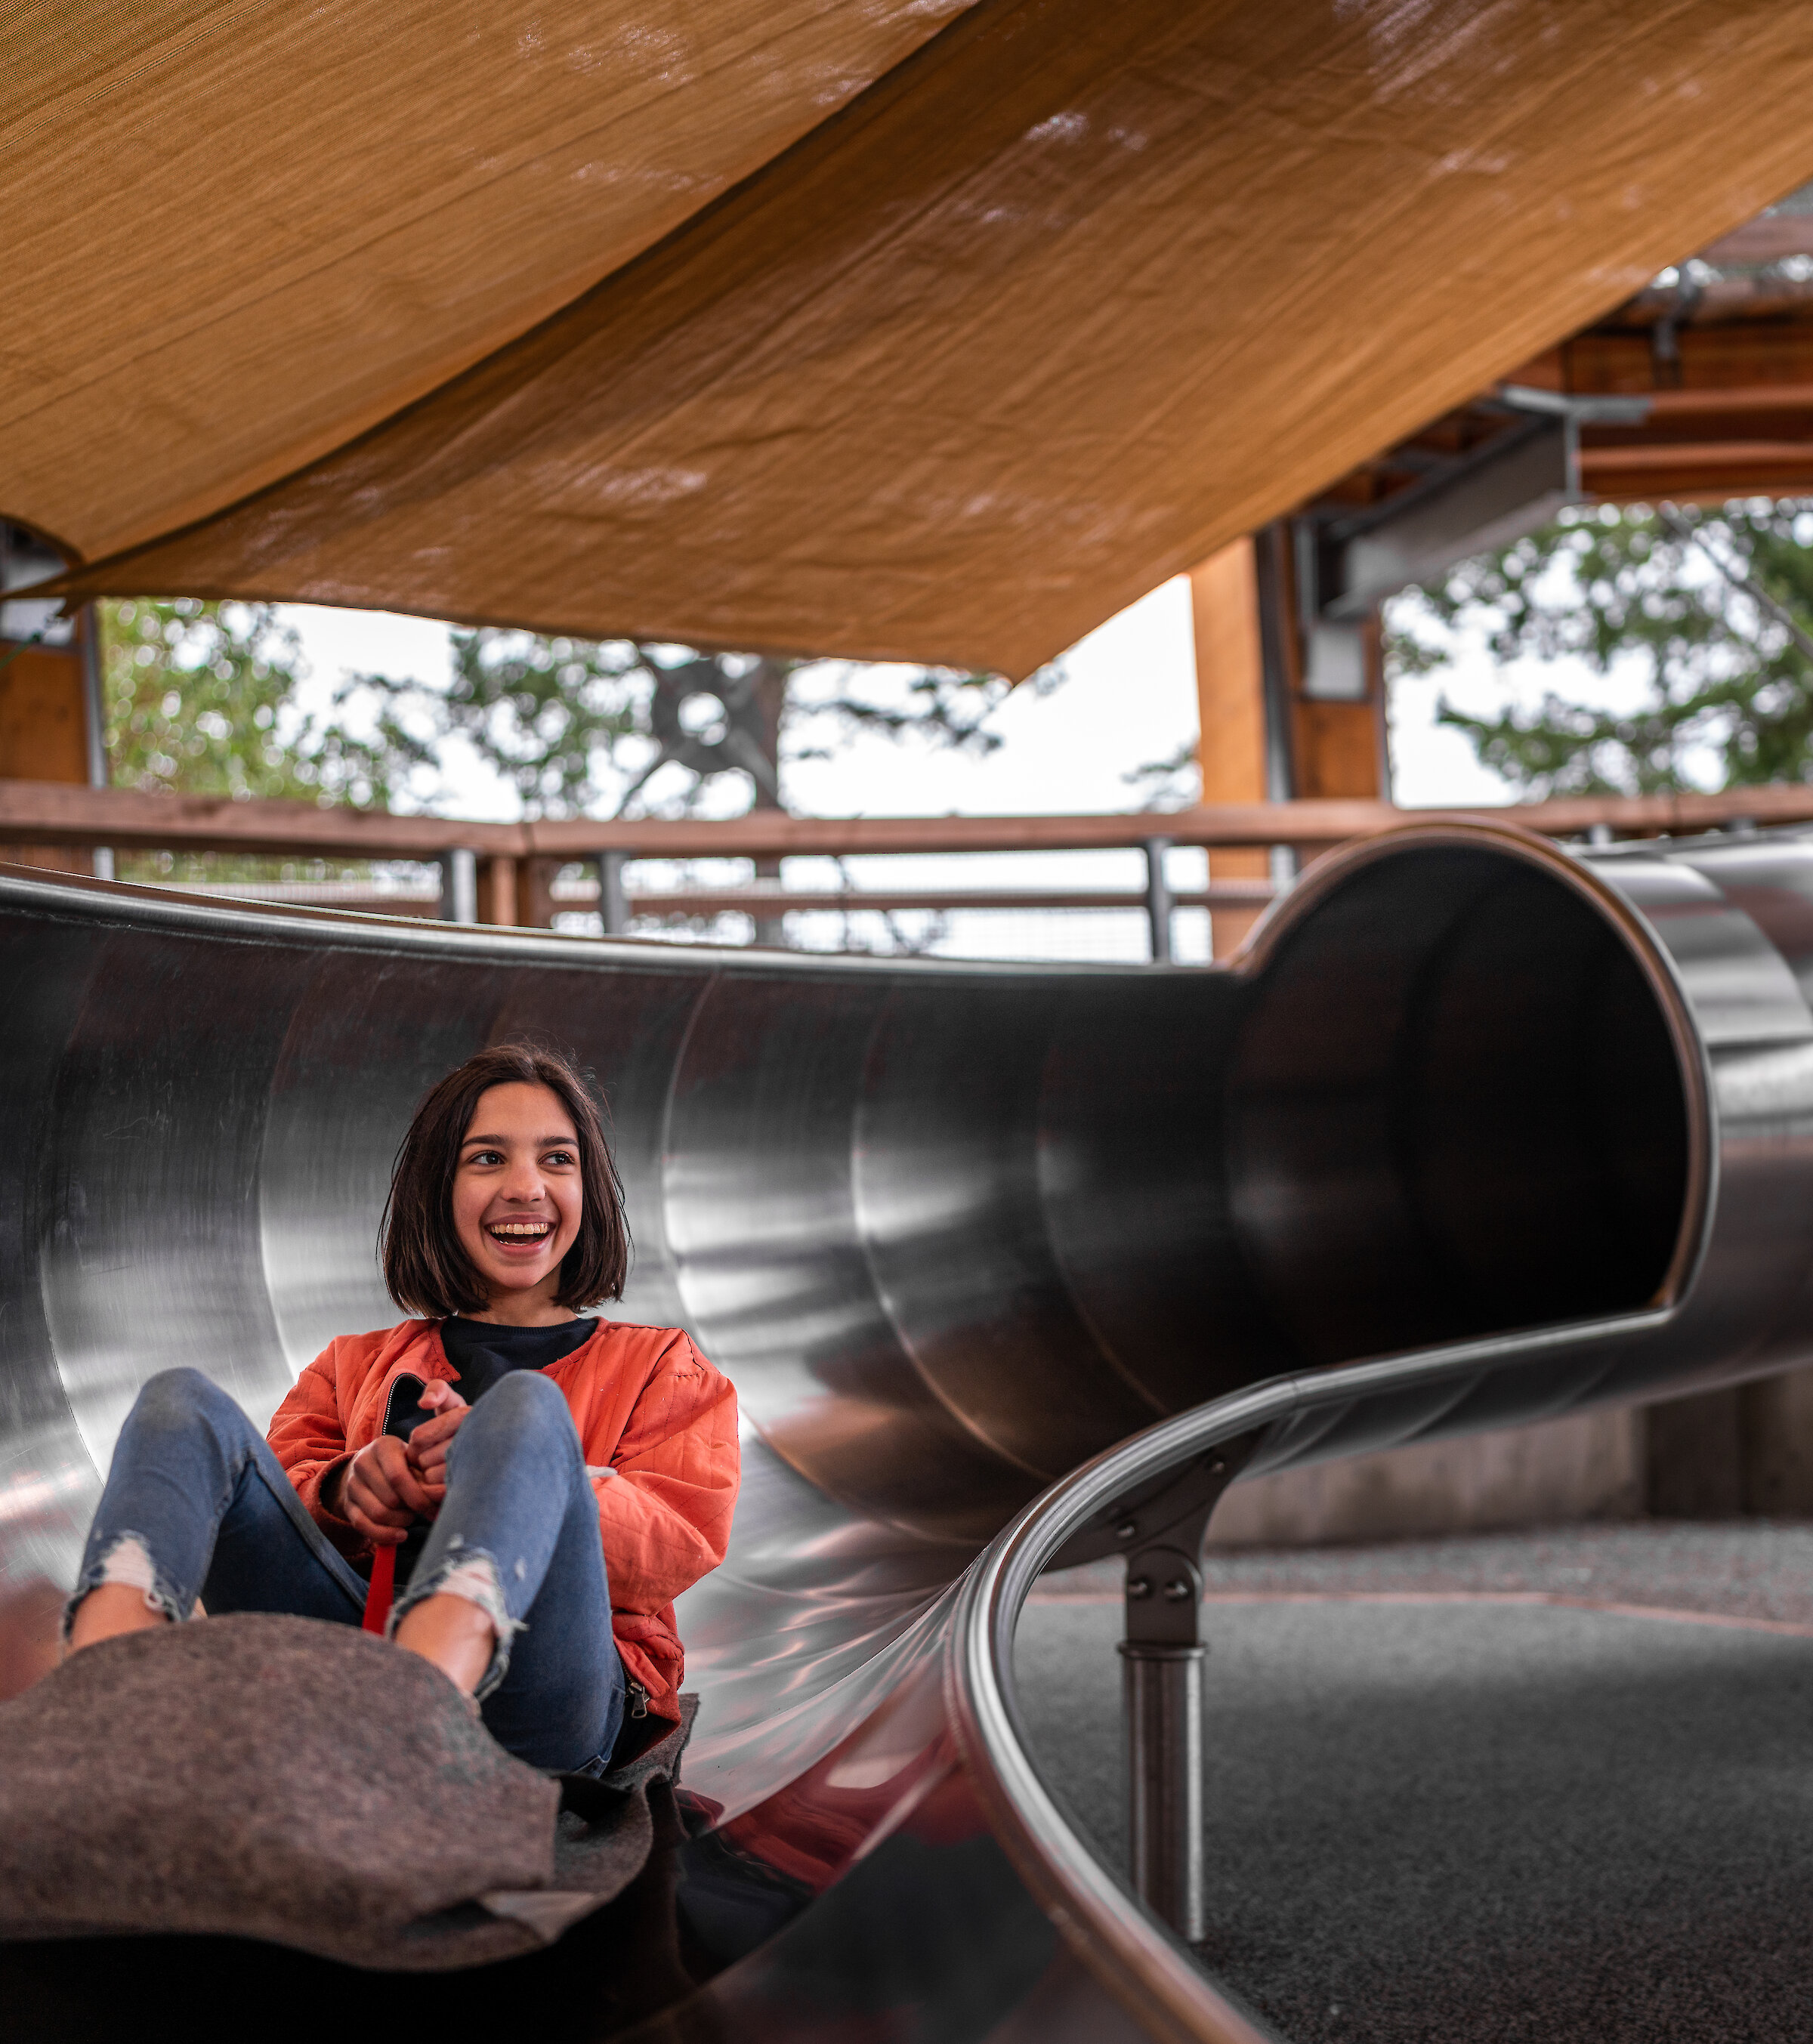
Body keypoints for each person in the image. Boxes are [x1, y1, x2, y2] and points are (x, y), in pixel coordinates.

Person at [63, 1041, 740, 1775]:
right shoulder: (352, 1365)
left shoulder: (661, 1368)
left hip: (546, 1699)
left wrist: (515, 1471)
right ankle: (96, 1720)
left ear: (591, 1189)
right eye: (487, 1159)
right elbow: (276, 1499)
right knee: (178, 1403)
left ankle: (413, 1735)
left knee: (522, 1411)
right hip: (355, 1661)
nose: (525, 1187)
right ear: (436, 1189)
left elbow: (679, 1538)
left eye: (557, 1160)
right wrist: (345, 1488)